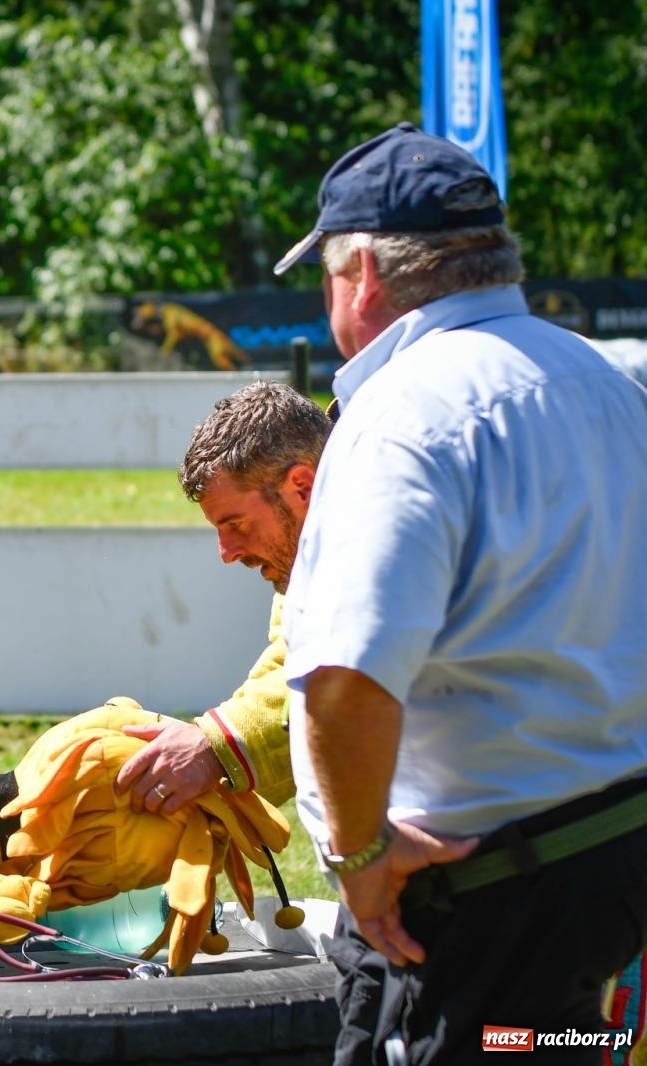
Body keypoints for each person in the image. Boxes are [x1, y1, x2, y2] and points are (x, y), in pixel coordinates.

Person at [275, 122, 647, 1063]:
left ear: (360, 273)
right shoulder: (603, 381)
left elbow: (348, 681)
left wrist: (358, 864)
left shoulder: (401, 416)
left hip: (485, 906)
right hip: (612, 861)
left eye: (324, 276)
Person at [114, 381, 330, 815]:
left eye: (237, 524)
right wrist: (211, 744)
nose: (227, 554)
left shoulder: (386, 526)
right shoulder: (313, 538)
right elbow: (293, 655)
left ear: (302, 487)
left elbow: (341, 667)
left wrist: (215, 747)